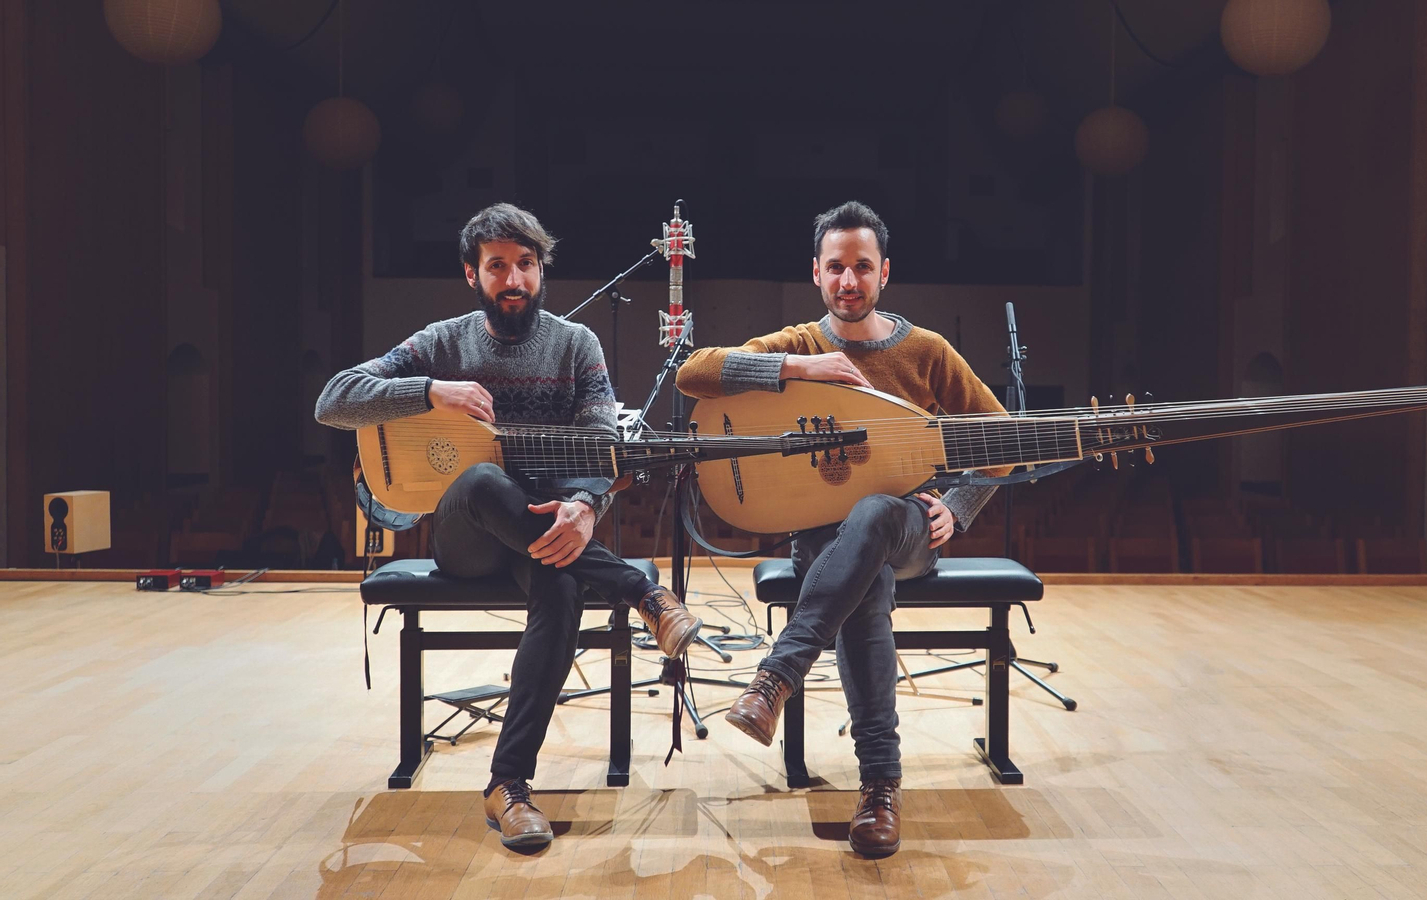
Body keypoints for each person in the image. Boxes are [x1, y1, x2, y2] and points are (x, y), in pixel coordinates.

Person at [315, 203, 701, 849]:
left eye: (526, 264)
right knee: (484, 480)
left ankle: (508, 785)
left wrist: (585, 506)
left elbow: (603, 446)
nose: (514, 278)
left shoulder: (576, 345)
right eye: (498, 266)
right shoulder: (443, 342)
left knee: (561, 588)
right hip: (464, 537)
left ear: (541, 269)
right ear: (473, 274)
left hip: (548, 537)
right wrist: (431, 391)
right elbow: (333, 400)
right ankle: (640, 591)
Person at [676, 200, 1008, 857]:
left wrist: (960, 505)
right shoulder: (799, 343)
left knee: (880, 511)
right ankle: (880, 789)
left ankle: (775, 678)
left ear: (884, 272)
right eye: (836, 268)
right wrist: (797, 370)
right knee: (865, 585)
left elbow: (999, 436)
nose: (848, 280)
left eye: (862, 267)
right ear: (816, 274)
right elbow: (694, 372)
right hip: (824, 544)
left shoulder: (926, 351)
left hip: (910, 528)